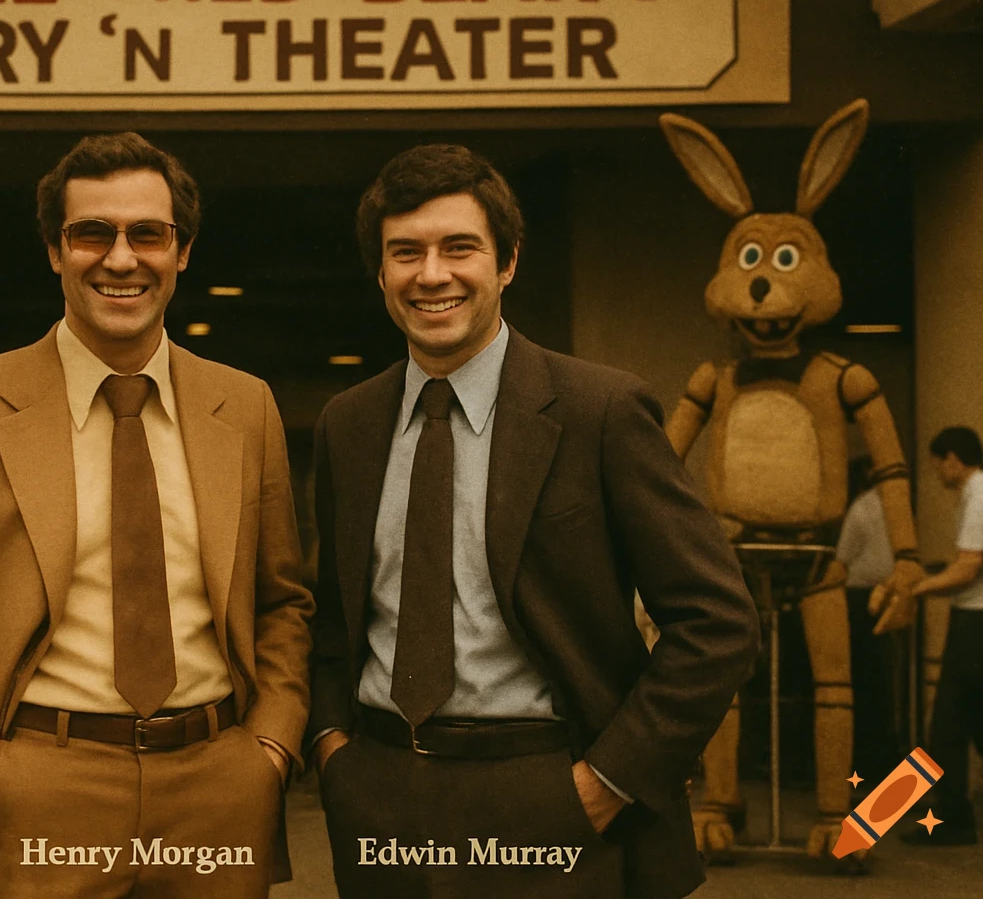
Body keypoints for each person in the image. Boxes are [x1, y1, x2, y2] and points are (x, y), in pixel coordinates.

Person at [0, 132, 312, 899]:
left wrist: (268, 748)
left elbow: (282, 602)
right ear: (55, 251)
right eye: (91, 233)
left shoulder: (247, 405)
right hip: (38, 780)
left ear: (183, 251)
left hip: (217, 786)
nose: (121, 258)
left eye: (148, 234)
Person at [307, 144, 760, 899]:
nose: (432, 274)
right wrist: (334, 753)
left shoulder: (601, 412)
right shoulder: (347, 426)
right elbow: (335, 621)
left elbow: (719, 624)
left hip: (549, 795)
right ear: (380, 273)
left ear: (508, 261)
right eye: (405, 252)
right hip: (379, 795)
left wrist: (606, 783)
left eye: (460, 248)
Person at [902, 426, 983, 845]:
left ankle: (953, 821)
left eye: (938, 463)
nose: (937, 472)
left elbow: (969, 568)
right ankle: (951, 813)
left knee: (949, 723)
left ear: (952, 458)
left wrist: (916, 588)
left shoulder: (978, 493)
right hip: (974, 620)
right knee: (971, 719)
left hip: (974, 623)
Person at [835, 457, 901, 784]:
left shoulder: (862, 507)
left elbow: (843, 556)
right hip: (890, 592)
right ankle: (883, 763)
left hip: (861, 596)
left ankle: (861, 767)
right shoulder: (898, 507)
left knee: (860, 680)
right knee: (884, 682)